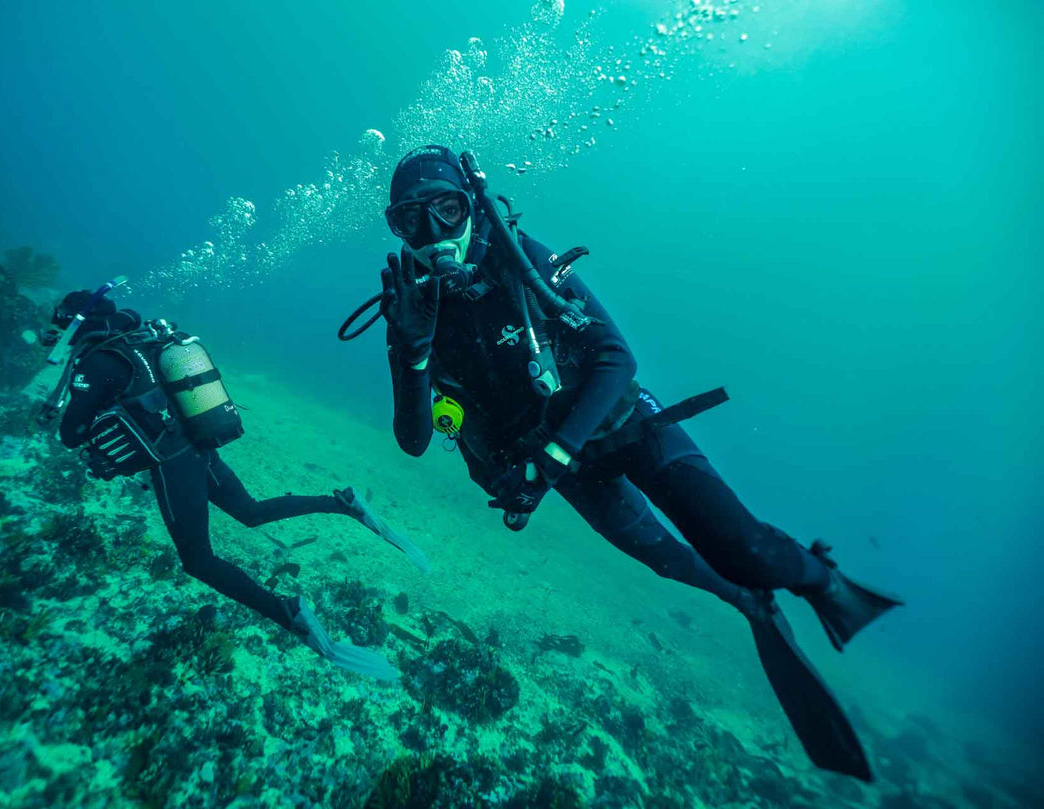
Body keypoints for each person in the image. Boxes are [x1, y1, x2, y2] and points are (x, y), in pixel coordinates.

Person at [364, 145, 903, 779]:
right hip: (563, 469)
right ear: (397, 228)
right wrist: (413, 353)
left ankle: (826, 583)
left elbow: (616, 356)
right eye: (409, 221)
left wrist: (556, 454)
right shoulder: (414, 314)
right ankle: (752, 605)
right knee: (668, 559)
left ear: (472, 207)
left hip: (626, 425)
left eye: (447, 210)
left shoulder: (521, 259)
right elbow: (415, 441)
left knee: (742, 546)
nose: (431, 236)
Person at [40, 287, 423, 681]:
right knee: (250, 511)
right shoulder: (146, 338)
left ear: (76, 323)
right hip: (199, 444)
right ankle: (341, 503)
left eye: (60, 319)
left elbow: (71, 433)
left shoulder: (98, 360)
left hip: (173, 463)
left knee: (198, 560)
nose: (55, 327)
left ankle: (287, 613)